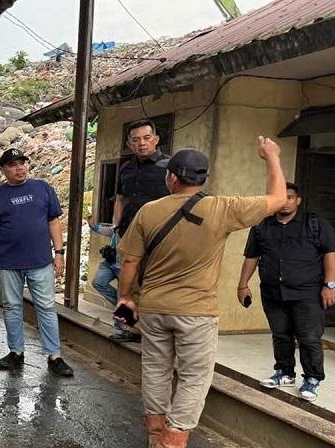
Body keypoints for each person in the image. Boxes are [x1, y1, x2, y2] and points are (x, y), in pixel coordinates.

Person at [115, 140, 287, 448]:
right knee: (194, 376)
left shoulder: (148, 211)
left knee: (156, 370)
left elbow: (129, 261)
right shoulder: (222, 208)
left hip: (154, 308)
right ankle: (174, 440)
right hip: (197, 312)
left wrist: (125, 297)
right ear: (203, 179)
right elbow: (278, 199)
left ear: (171, 177)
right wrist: (272, 157)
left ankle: (155, 434)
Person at [238, 182, 335, 402]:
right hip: (273, 292)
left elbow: (331, 253)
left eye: (290, 198)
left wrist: (329, 285)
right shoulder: (262, 225)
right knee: (281, 335)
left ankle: (312, 378)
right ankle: (284, 373)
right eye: (281, 198)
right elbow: (252, 256)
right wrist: (243, 285)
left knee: (308, 337)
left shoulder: (315, 224)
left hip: (307, 293)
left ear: (298, 200)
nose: (285, 202)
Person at [0, 148, 75, 377]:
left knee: (46, 307)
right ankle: (16, 352)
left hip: (40, 261)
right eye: (13, 165)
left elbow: (54, 222)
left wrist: (59, 253)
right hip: (8, 263)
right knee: (12, 307)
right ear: (3, 170)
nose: (19, 168)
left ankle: (54, 356)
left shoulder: (43, 189)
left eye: (22, 163)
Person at [87, 213, 139, 342]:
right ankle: (124, 307)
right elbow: (111, 230)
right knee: (98, 282)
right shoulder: (118, 224)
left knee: (123, 295)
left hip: (123, 265)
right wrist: (94, 227)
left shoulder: (135, 228)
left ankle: (121, 329)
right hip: (111, 262)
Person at [114, 119, 170, 237]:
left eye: (147, 138)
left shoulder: (170, 166)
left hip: (158, 235)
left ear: (156, 140)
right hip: (127, 233)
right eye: (136, 140)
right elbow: (120, 199)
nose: (142, 143)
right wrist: (116, 228)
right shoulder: (126, 168)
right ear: (129, 144)